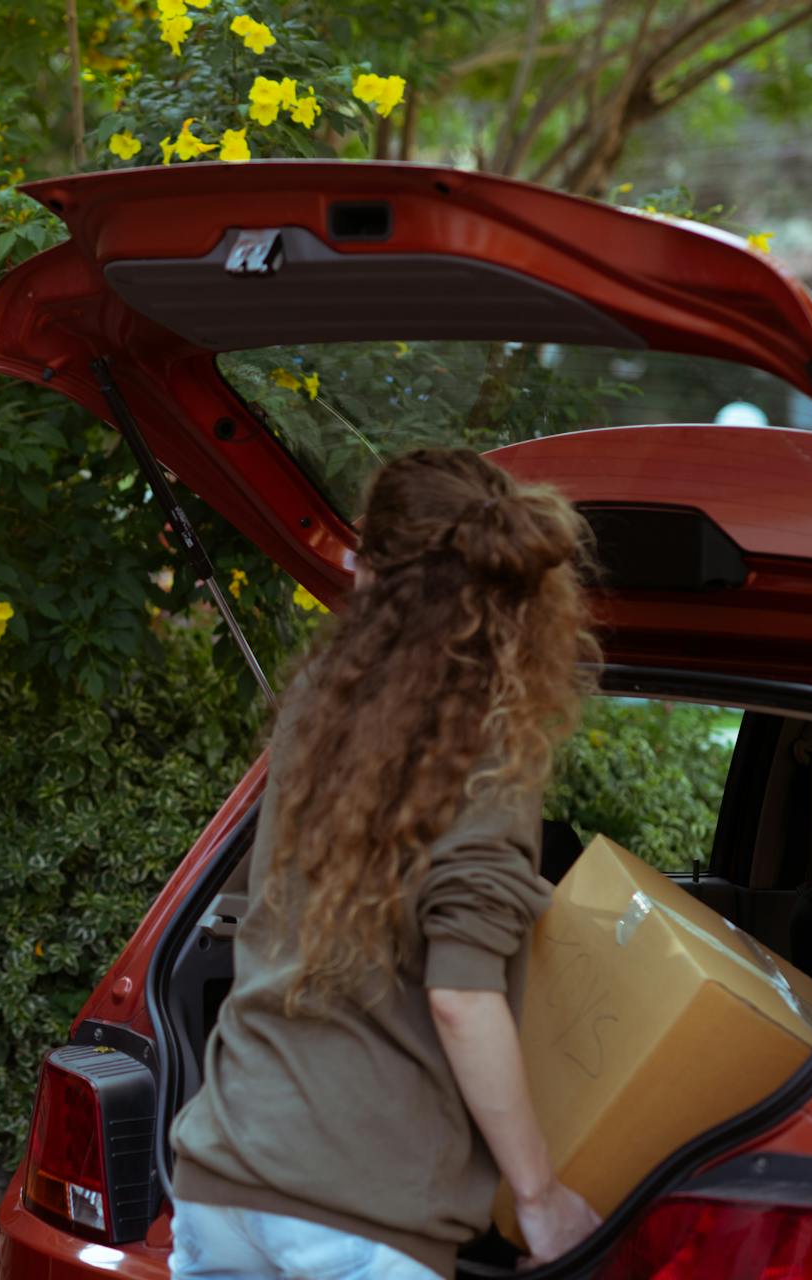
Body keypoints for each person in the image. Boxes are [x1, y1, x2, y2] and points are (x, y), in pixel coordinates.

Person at [168, 448, 603, 1280]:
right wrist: (540, 1199)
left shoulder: (320, 709)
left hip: (223, 1173)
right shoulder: (487, 757)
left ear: (373, 578)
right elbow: (460, 1000)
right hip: (357, 1216)